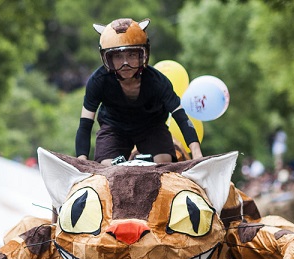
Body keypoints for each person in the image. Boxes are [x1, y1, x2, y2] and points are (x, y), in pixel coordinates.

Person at [75, 18, 203, 165]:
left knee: (164, 163)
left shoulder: (158, 81)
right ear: (107, 58)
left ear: (143, 55)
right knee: (106, 167)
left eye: (131, 55)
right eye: (117, 56)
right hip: (114, 127)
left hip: (152, 126)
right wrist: (81, 160)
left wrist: (197, 154)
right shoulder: (98, 81)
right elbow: (85, 124)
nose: (125, 63)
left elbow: (181, 117)